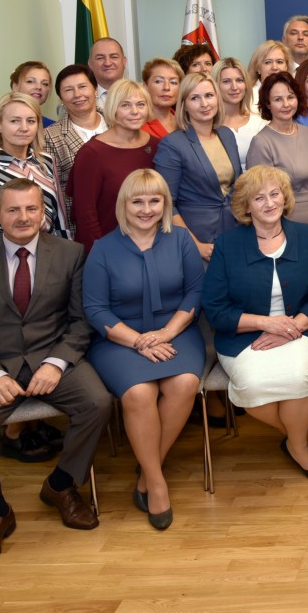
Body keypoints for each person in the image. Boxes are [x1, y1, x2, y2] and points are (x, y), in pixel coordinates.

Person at [0, 178, 112, 573]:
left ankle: (61, 486)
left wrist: (56, 363)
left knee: (98, 403)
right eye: (13, 210)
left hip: (51, 360)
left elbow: (81, 321)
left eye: (31, 208)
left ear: (43, 214)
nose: (23, 217)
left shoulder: (71, 254)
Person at [82, 169, 204, 529]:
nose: (147, 209)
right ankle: (157, 483)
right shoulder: (103, 249)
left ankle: (147, 474)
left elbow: (195, 292)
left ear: (165, 204)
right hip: (120, 338)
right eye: (138, 201)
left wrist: (166, 333)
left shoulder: (180, 240)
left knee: (184, 383)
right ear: (124, 204)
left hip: (176, 330)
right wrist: (137, 341)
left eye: (155, 200)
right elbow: (95, 309)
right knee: (139, 392)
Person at [204, 165, 308, 480]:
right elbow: (215, 308)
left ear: (285, 198)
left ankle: (298, 446)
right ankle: (301, 433)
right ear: (246, 206)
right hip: (243, 338)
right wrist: (266, 323)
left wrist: (292, 328)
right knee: (251, 387)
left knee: (297, 378)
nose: (270, 203)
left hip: (301, 331)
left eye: (275, 194)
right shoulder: (227, 245)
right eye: (259, 198)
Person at [154, 72, 243, 261]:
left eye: (209, 95)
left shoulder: (226, 134)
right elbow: (167, 204)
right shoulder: (172, 144)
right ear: (184, 105)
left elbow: (238, 186)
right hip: (197, 239)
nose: (204, 104)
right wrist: (196, 245)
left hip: (234, 231)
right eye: (195, 98)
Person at [0, 92, 70, 247]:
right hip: (8, 257)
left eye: (31, 121)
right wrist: (10, 259)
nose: (24, 128)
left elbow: (60, 219)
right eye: (15, 121)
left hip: (49, 255)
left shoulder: (46, 161)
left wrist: (65, 256)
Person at [68, 80, 158, 249]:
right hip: (108, 248)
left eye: (140, 104)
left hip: (152, 245)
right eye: (125, 105)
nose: (135, 111)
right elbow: (85, 214)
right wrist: (100, 254)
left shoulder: (156, 146)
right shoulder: (92, 153)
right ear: (113, 108)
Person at [246, 71, 308, 230]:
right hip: (284, 223)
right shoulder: (261, 142)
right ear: (267, 104)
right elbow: (260, 195)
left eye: (290, 97)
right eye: (278, 99)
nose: (286, 104)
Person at [45, 66, 107, 226]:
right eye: (68, 90)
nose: (77, 94)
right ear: (61, 98)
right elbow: (53, 190)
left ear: (95, 89)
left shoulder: (118, 122)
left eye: (82, 86)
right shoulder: (50, 136)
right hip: (79, 225)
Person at [213, 56, 267, 160]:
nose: (234, 87)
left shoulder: (260, 122)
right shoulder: (209, 126)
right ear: (215, 85)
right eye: (226, 81)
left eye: (239, 80)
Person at [246, 40, 295, 114]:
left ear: (287, 66)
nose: (274, 67)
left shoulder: (295, 92)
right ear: (258, 67)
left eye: (279, 62)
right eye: (268, 62)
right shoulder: (247, 96)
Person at [141, 58, 182, 139]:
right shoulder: (137, 123)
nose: (166, 87)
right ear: (145, 87)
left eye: (173, 82)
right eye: (158, 81)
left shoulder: (185, 122)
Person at [7, 62, 55, 129]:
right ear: (15, 87)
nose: (39, 87)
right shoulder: (3, 125)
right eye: (30, 81)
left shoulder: (54, 128)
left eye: (45, 84)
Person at [88, 38, 128, 110]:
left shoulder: (142, 94)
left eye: (114, 57)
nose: (107, 63)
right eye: (100, 58)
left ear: (124, 62)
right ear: (90, 64)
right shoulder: (82, 99)